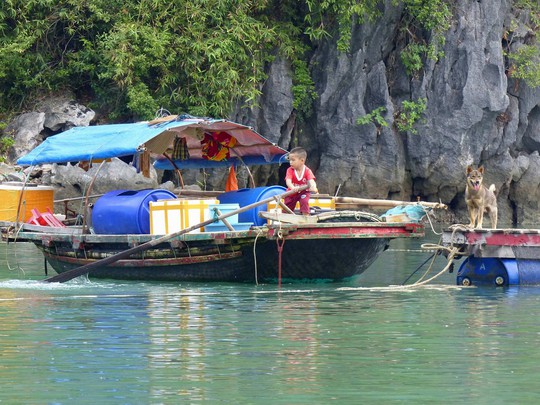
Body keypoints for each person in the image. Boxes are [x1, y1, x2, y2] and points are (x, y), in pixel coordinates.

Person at [284, 147, 318, 215]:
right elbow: (288, 181)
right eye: (290, 160)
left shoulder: (307, 171)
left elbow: (311, 181)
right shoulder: (290, 170)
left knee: (304, 201)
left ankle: (305, 218)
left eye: (293, 160)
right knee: (287, 206)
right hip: (291, 192)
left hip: (303, 192)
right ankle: (285, 220)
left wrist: (313, 187)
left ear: (302, 161)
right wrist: (293, 188)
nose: (291, 162)